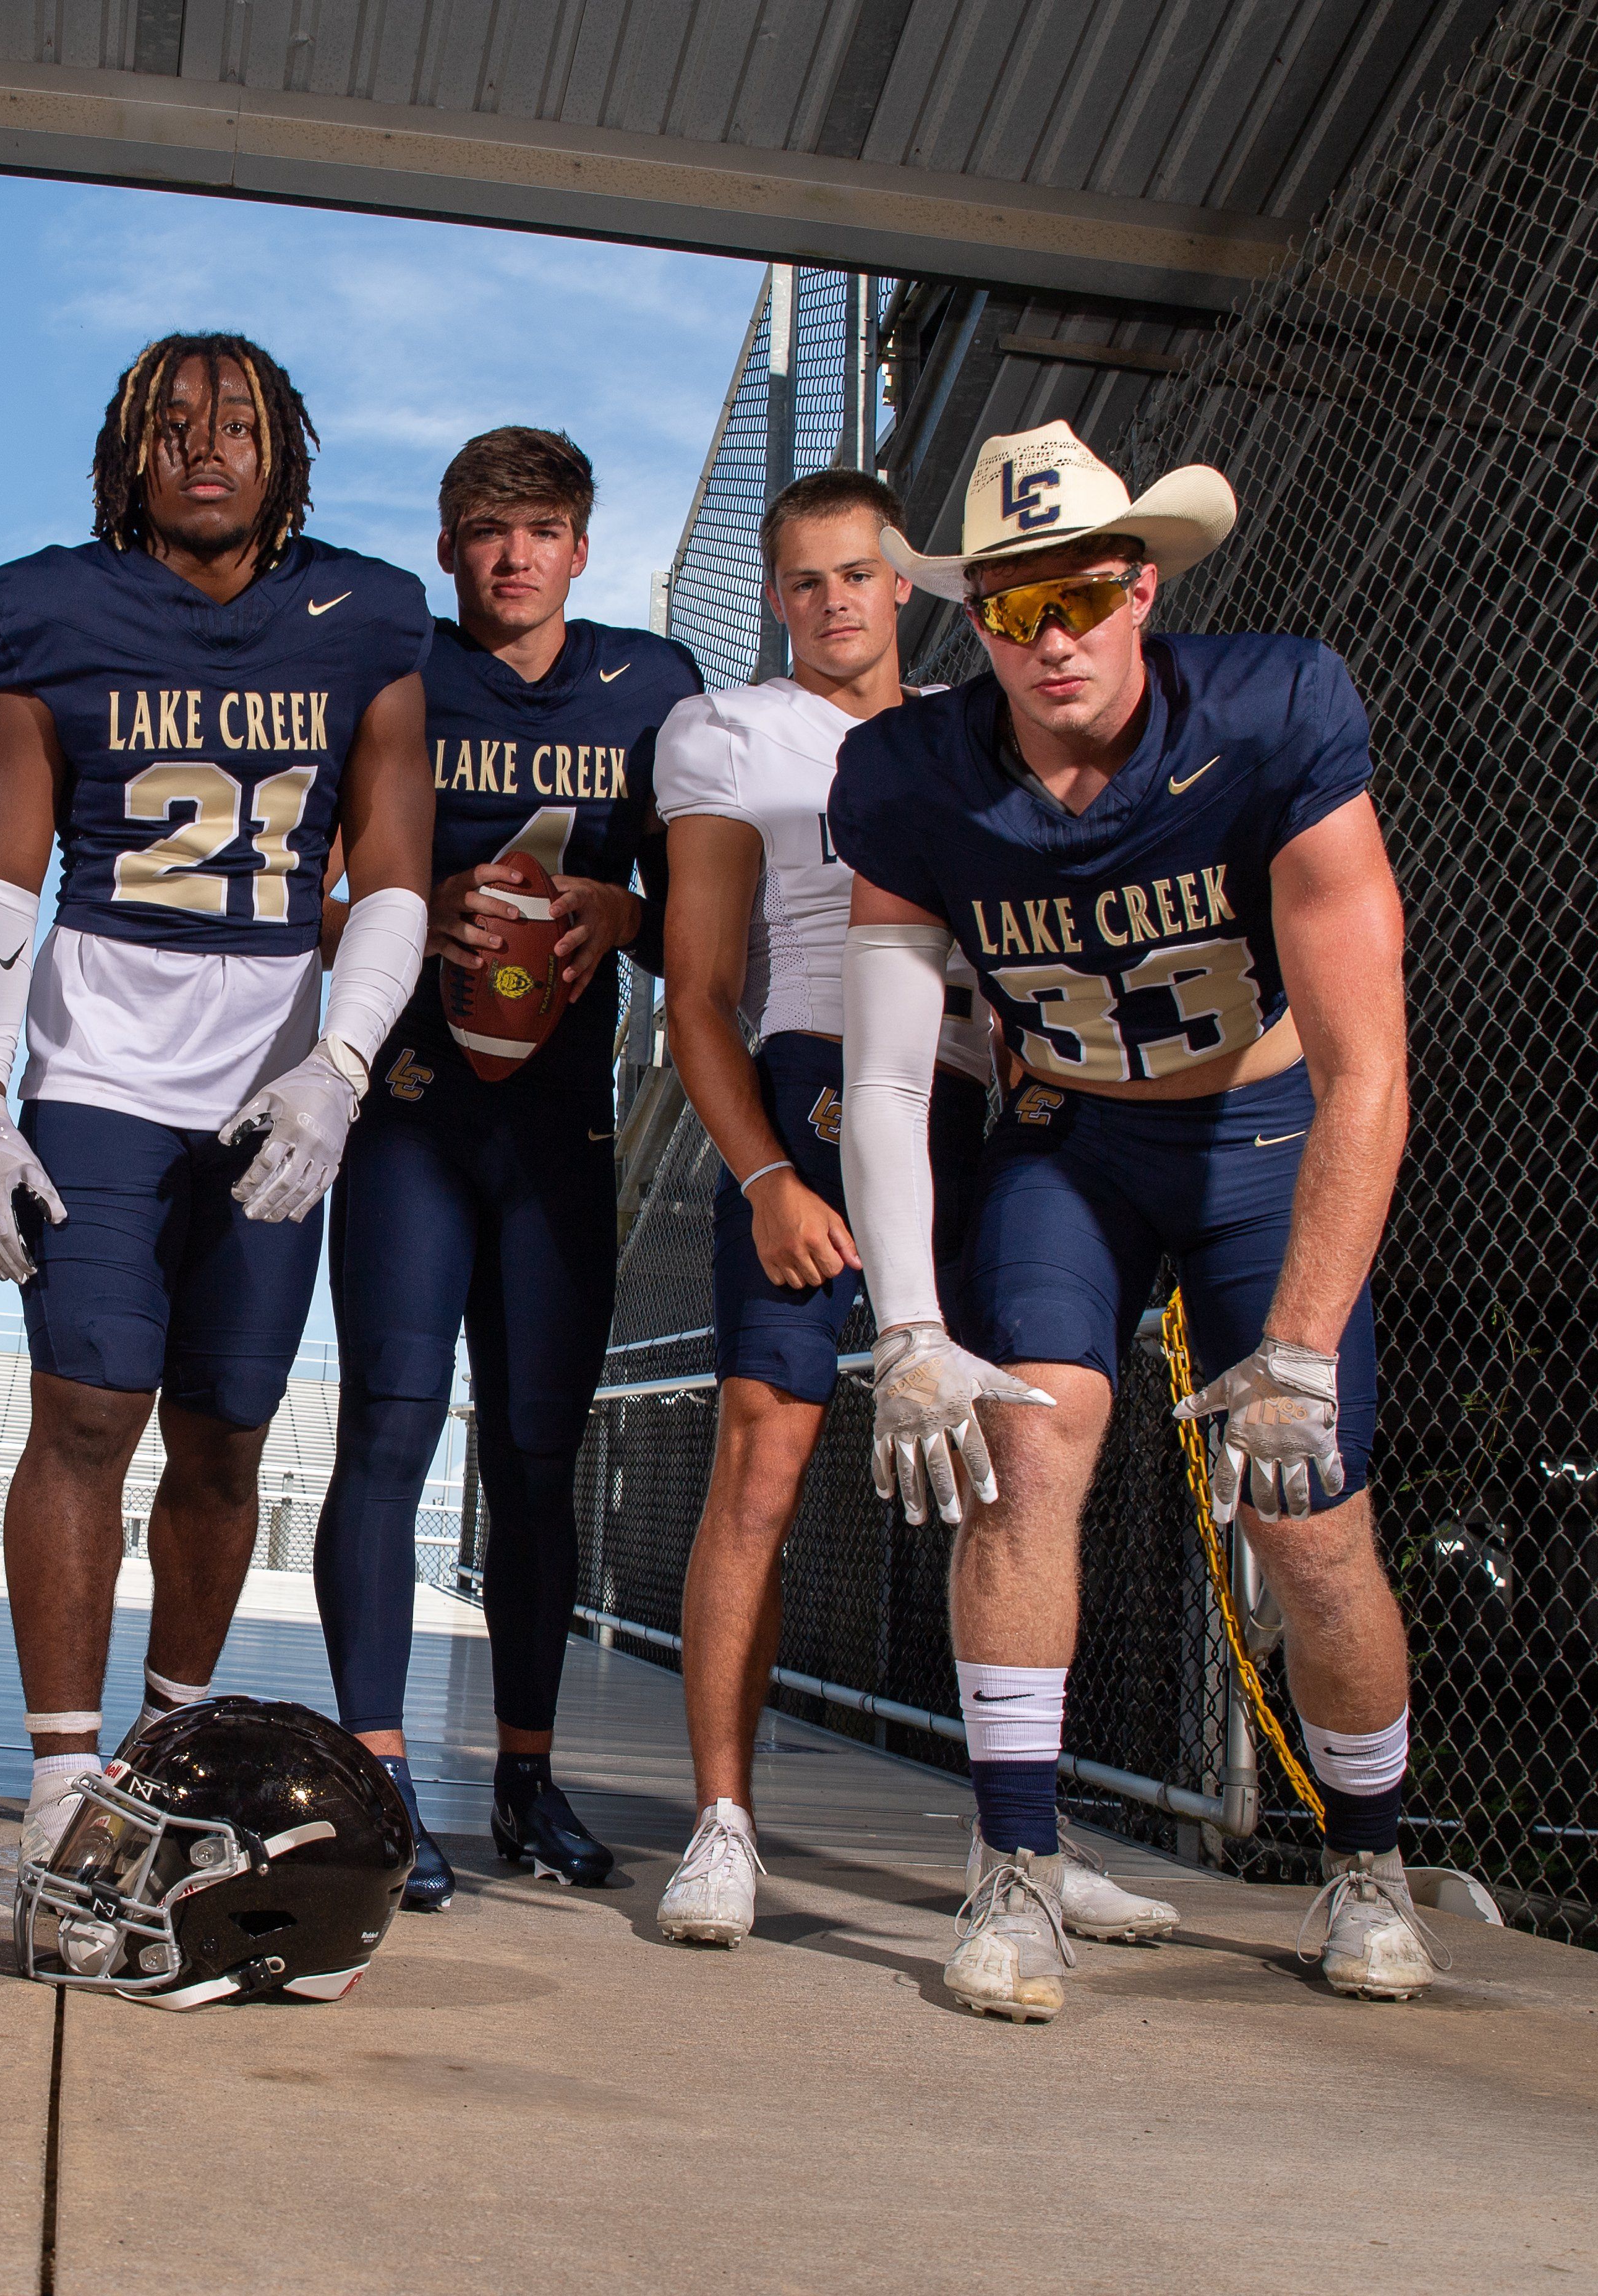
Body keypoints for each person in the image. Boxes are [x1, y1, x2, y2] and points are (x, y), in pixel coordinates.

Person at [829, 419, 1431, 2020]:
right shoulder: (910, 774)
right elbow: (887, 1085)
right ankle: (1015, 1864)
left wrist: (1298, 1345)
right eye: (1013, 609)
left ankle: (1365, 1855)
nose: (1054, 639)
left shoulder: (1272, 710)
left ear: (1141, 585)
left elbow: (1371, 1069)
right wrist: (908, 1330)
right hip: (1075, 1136)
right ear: (973, 624)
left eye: (1081, 597)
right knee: (1025, 1456)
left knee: (1310, 1523)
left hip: (1265, 1126)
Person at [0, 334, 434, 1866]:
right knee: (87, 1410)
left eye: (234, 424)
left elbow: (397, 879)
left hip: (275, 1081)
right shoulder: (52, 605)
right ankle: (56, 1772)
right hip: (96, 1069)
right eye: (171, 427)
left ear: (281, 445)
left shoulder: (366, 616)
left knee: (228, 1439)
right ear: (125, 453)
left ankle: (168, 1738)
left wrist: (340, 1068)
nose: (203, 449)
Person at [642, 469, 1088, 1950]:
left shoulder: (978, 720)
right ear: (778, 597)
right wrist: (767, 1173)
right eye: (807, 579)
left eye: (860, 573)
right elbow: (697, 991)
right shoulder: (731, 733)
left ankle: (1014, 1832)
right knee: (764, 1460)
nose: (836, 601)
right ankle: (723, 1825)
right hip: (817, 1088)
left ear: (909, 582)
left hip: (972, 1094)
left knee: (1011, 1462)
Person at [310, 427, 693, 1911]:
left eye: (538, 528)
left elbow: (695, 921)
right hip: (410, 1109)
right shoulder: (397, 668)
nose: (512, 554)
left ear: (582, 544)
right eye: (483, 530)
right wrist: (415, 901)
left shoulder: (649, 686)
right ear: (447, 543)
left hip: (559, 1124)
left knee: (536, 1459)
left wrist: (612, 899)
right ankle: (377, 1770)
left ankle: (526, 1779)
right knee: (390, 1434)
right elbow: (311, 903)